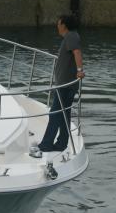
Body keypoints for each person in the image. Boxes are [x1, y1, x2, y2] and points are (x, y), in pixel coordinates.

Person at [31, 14, 84, 157]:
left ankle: (46, 144)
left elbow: (77, 52)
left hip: (65, 85)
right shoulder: (70, 37)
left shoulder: (71, 37)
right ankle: (61, 143)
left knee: (54, 113)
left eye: (59, 23)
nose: (57, 26)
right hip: (64, 83)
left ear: (64, 25)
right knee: (64, 113)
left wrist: (79, 71)